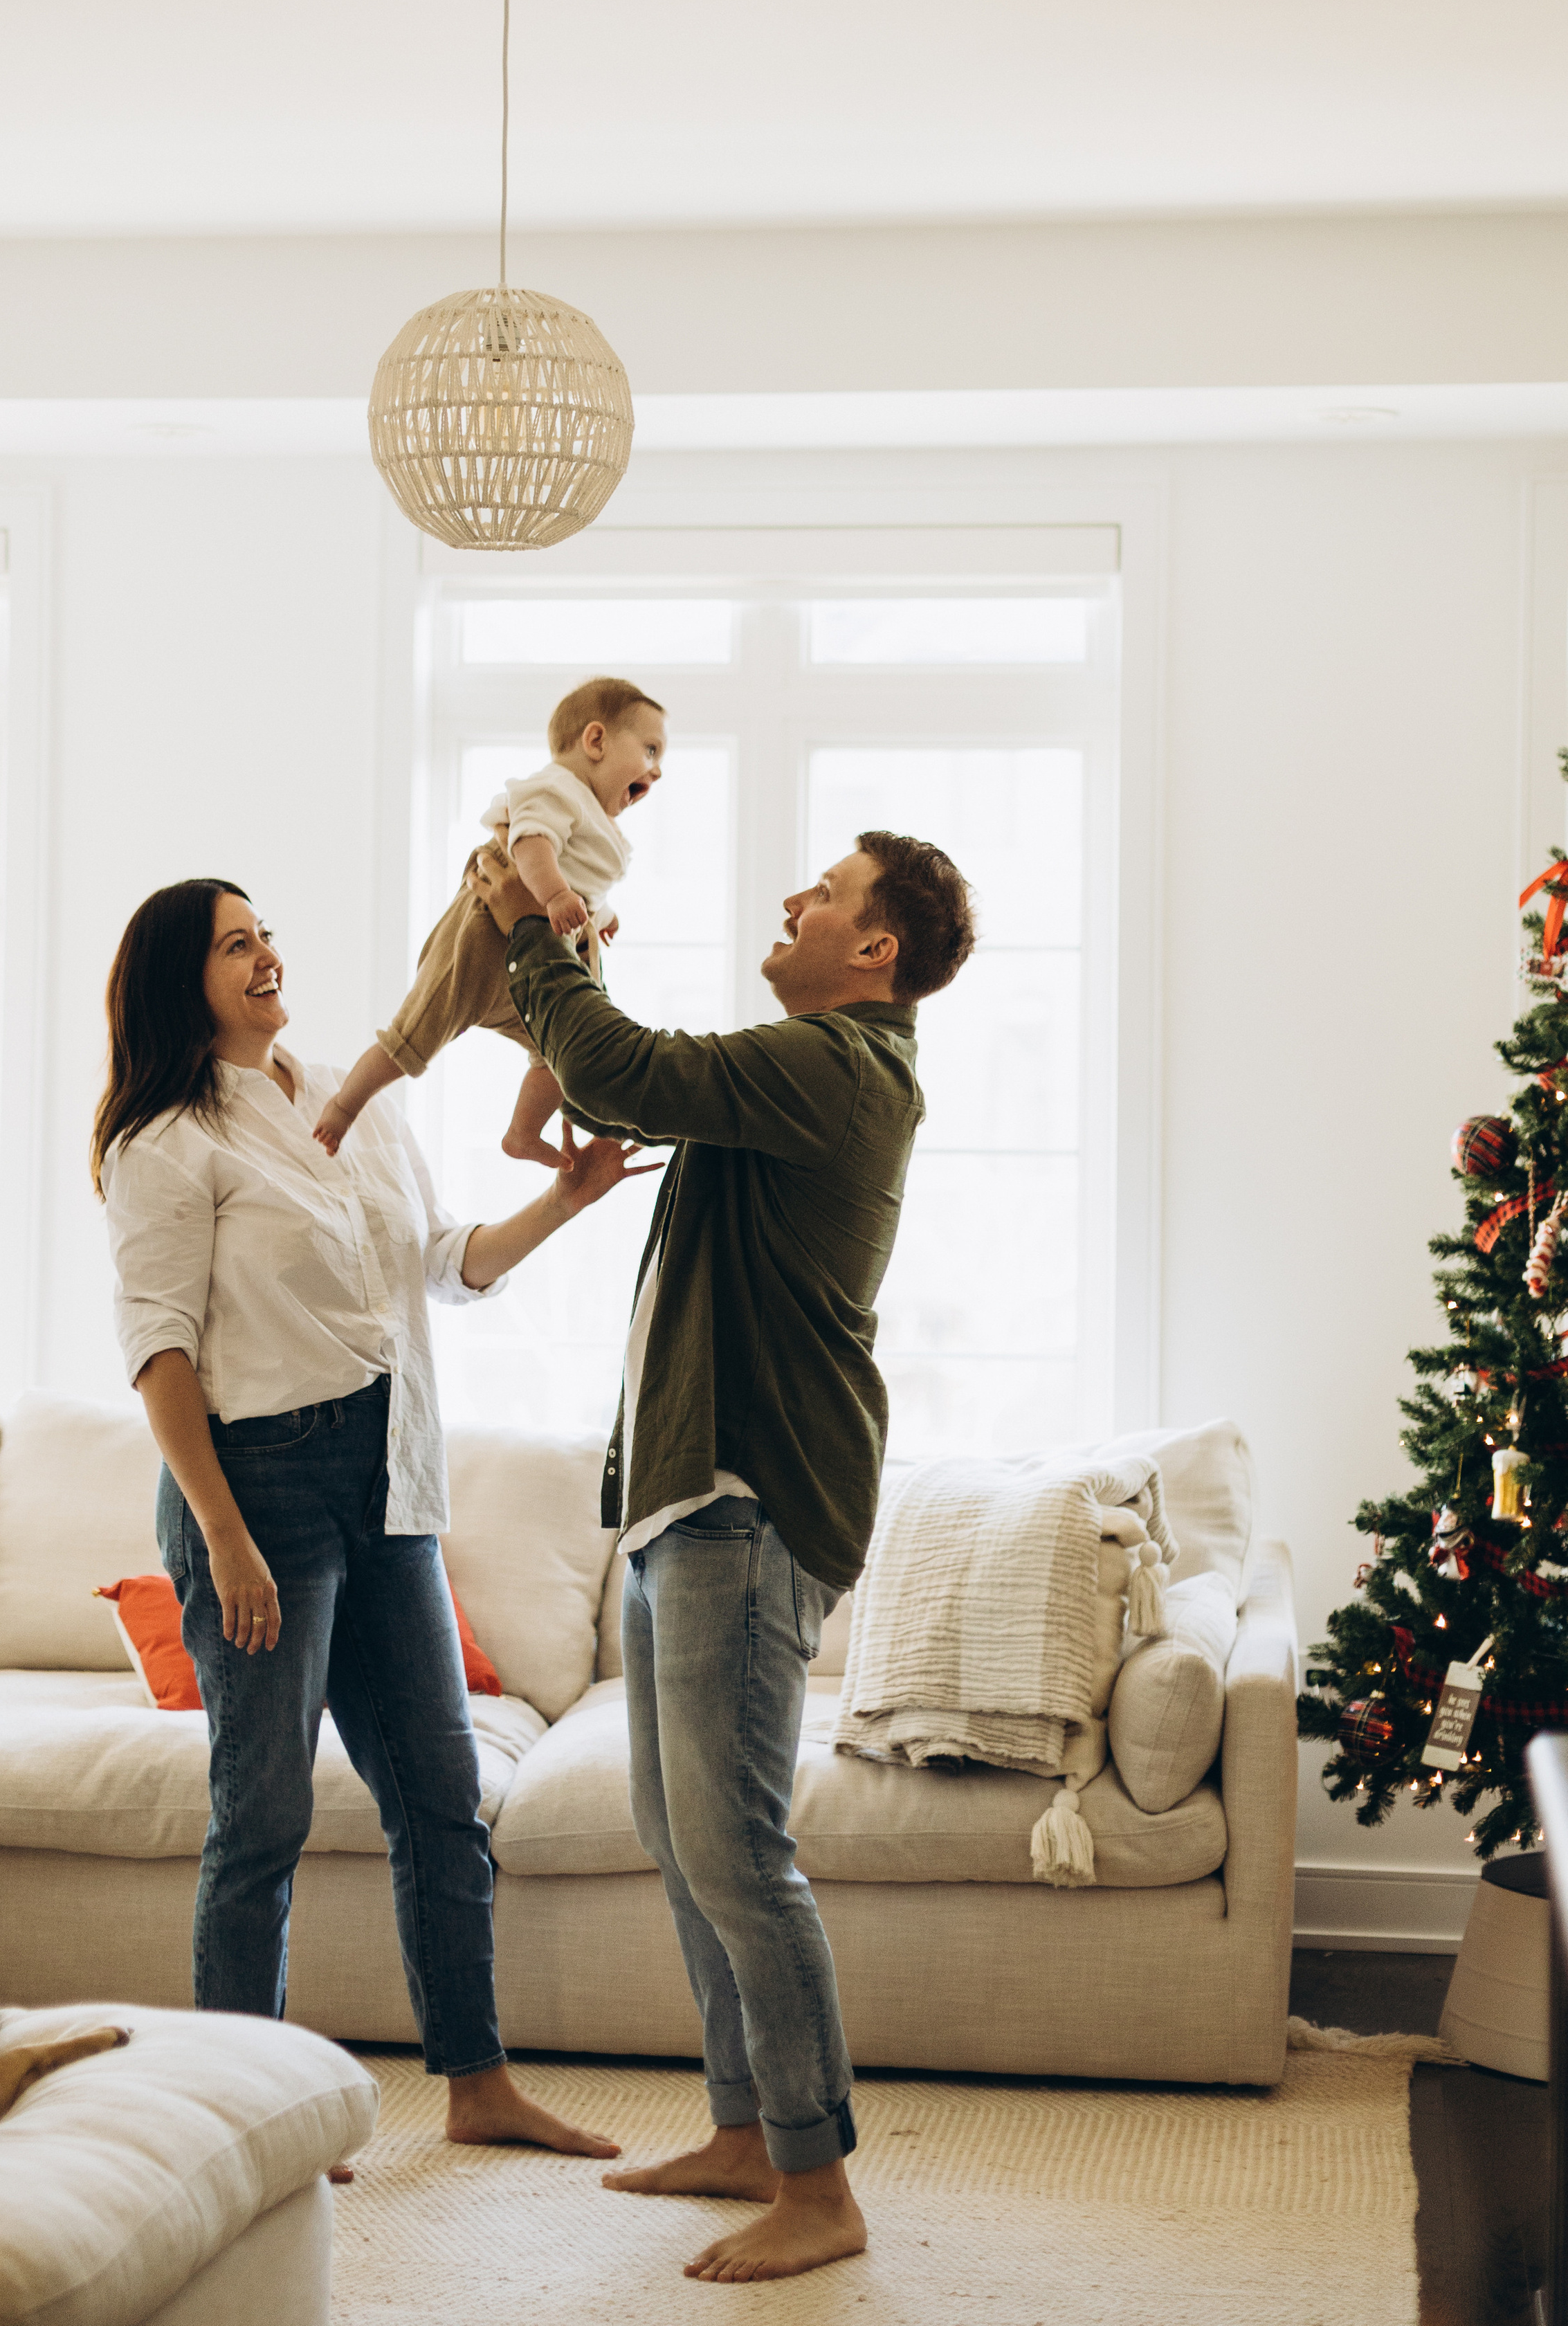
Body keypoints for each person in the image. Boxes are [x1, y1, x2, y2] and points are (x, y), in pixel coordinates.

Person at [470, 827, 976, 2282]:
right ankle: (747, 2133)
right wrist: (551, 990)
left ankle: (819, 2188)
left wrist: (534, 934)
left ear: (872, 948)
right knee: (680, 1835)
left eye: (821, 892)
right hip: (696, 1497)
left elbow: (625, 1067)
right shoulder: (803, 1070)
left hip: (747, 1506)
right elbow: (609, 1068)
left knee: (738, 1851)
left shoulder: (838, 1068)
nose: (792, 901)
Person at [93, 876, 657, 2160]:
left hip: (388, 1479)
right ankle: (243, 2116)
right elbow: (159, 1355)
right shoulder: (167, 1144)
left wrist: (565, 1200)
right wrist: (226, 1540)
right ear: (184, 978)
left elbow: (442, 1264)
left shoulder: (357, 1093)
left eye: (266, 935)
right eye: (235, 945)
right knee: (265, 1819)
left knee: (443, 1796)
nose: (265, 956)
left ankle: (479, 2086)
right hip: (257, 1490)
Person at [313, 678, 667, 1168]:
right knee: (416, 1032)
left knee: (558, 1057)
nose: (658, 769)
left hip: (540, 951)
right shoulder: (558, 788)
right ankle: (343, 1105)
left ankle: (522, 1132)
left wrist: (600, 914)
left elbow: (584, 876)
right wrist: (558, 894)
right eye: (650, 749)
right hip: (486, 934)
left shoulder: (597, 821)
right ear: (596, 741)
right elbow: (531, 844)